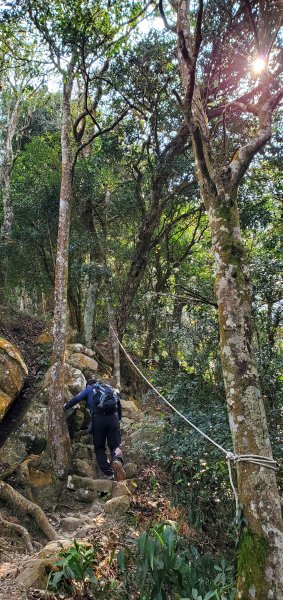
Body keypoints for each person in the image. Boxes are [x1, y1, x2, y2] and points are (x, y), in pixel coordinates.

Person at [64, 379, 126, 481]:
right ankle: (117, 460)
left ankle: (109, 473)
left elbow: (77, 398)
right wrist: (116, 421)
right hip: (114, 418)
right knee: (115, 445)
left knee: (99, 448)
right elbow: (119, 408)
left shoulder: (90, 388)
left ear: (88, 384)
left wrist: (65, 407)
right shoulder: (111, 389)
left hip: (98, 418)